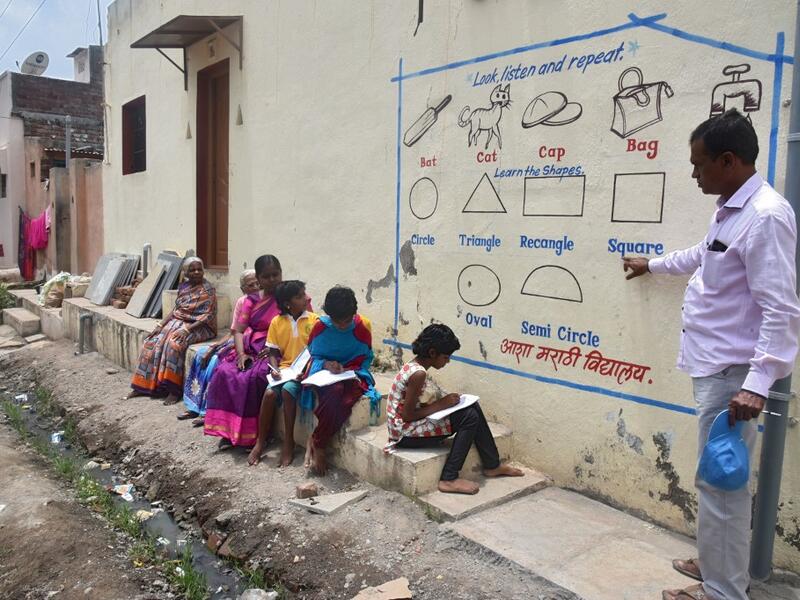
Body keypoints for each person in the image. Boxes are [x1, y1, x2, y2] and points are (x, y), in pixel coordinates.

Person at [622, 109, 800, 600]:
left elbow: (781, 307)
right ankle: (715, 564)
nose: (694, 174)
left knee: (723, 486)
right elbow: (705, 254)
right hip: (716, 368)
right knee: (717, 480)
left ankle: (723, 593)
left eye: (699, 165)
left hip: (733, 379)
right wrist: (652, 264)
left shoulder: (765, 216)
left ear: (728, 160)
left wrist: (757, 383)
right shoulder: (732, 210)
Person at [385, 323, 523, 494]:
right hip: (403, 435)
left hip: (405, 427)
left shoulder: (415, 367)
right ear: (433, 353)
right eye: (446, 357)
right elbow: (407, 415)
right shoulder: (418, 373)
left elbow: (410, 406)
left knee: (472, 406)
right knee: (469, 417)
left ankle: (492, 465)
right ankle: (448, 478)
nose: (448, 361)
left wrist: (440, 405)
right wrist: (441, 405)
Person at [204, 255, 282, 449]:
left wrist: (273, 346)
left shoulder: (289, 294)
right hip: (250, 346)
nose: (272, 280)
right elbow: (238, 330)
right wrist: (241, 355)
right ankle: (229, 431)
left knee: (256, 377)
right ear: (260, 278)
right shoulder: (251, 300)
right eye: (266, 276)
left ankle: (255, 433)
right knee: (225, 372)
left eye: (276, 275)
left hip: (276, 347)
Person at [301, 286, 380, 475]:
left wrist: (349, 368)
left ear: (354, 313)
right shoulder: (321, 326)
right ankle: (319, 445)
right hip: (325, 374)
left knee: (348, 396)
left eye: (346, 321)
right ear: (329, 316)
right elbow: (313, 355)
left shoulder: (362, 326)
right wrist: (327, 364)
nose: (343, 326)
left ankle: (318, 440)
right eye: (337, 322)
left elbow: (366, 358)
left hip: (352, 373)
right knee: (335, 392)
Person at [247, 280, 318, 467]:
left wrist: (307, 370)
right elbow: (273, 352)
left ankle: (288, 442)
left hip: (305, 371)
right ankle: (260, 442)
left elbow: (317, 351)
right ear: (287, 303)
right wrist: (275, 369)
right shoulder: (277, 323)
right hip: (286, 370)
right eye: (300, 296)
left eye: (304, 294)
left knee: (287, 391)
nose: (306, 298)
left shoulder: (314, 320)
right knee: (269, 393)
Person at [128, 257, 217, 404]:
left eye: (199, 269)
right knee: (151, 342)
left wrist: (187, 330)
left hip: (200, 326)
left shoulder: (208, 289)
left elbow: (208, 315)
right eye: (192, 270)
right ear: (186, 272)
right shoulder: (184, 287)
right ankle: (142, 386)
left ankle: (173, 390)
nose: (196, 272)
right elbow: (176, 310)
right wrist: (161, 326)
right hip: (179, 321)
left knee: (174, 345)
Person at [177, 269, 259, 425]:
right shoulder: (242, 302)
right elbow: (233, 331)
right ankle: (194, 406)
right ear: (243, 289)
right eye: (250, 285)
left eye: (257, 283)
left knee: (215, 362)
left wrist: (224, 348)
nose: (255, 287)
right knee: (201, 354)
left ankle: (207, 410)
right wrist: (215, 345)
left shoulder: (265, 302)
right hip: (236, 338)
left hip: (248, 342)